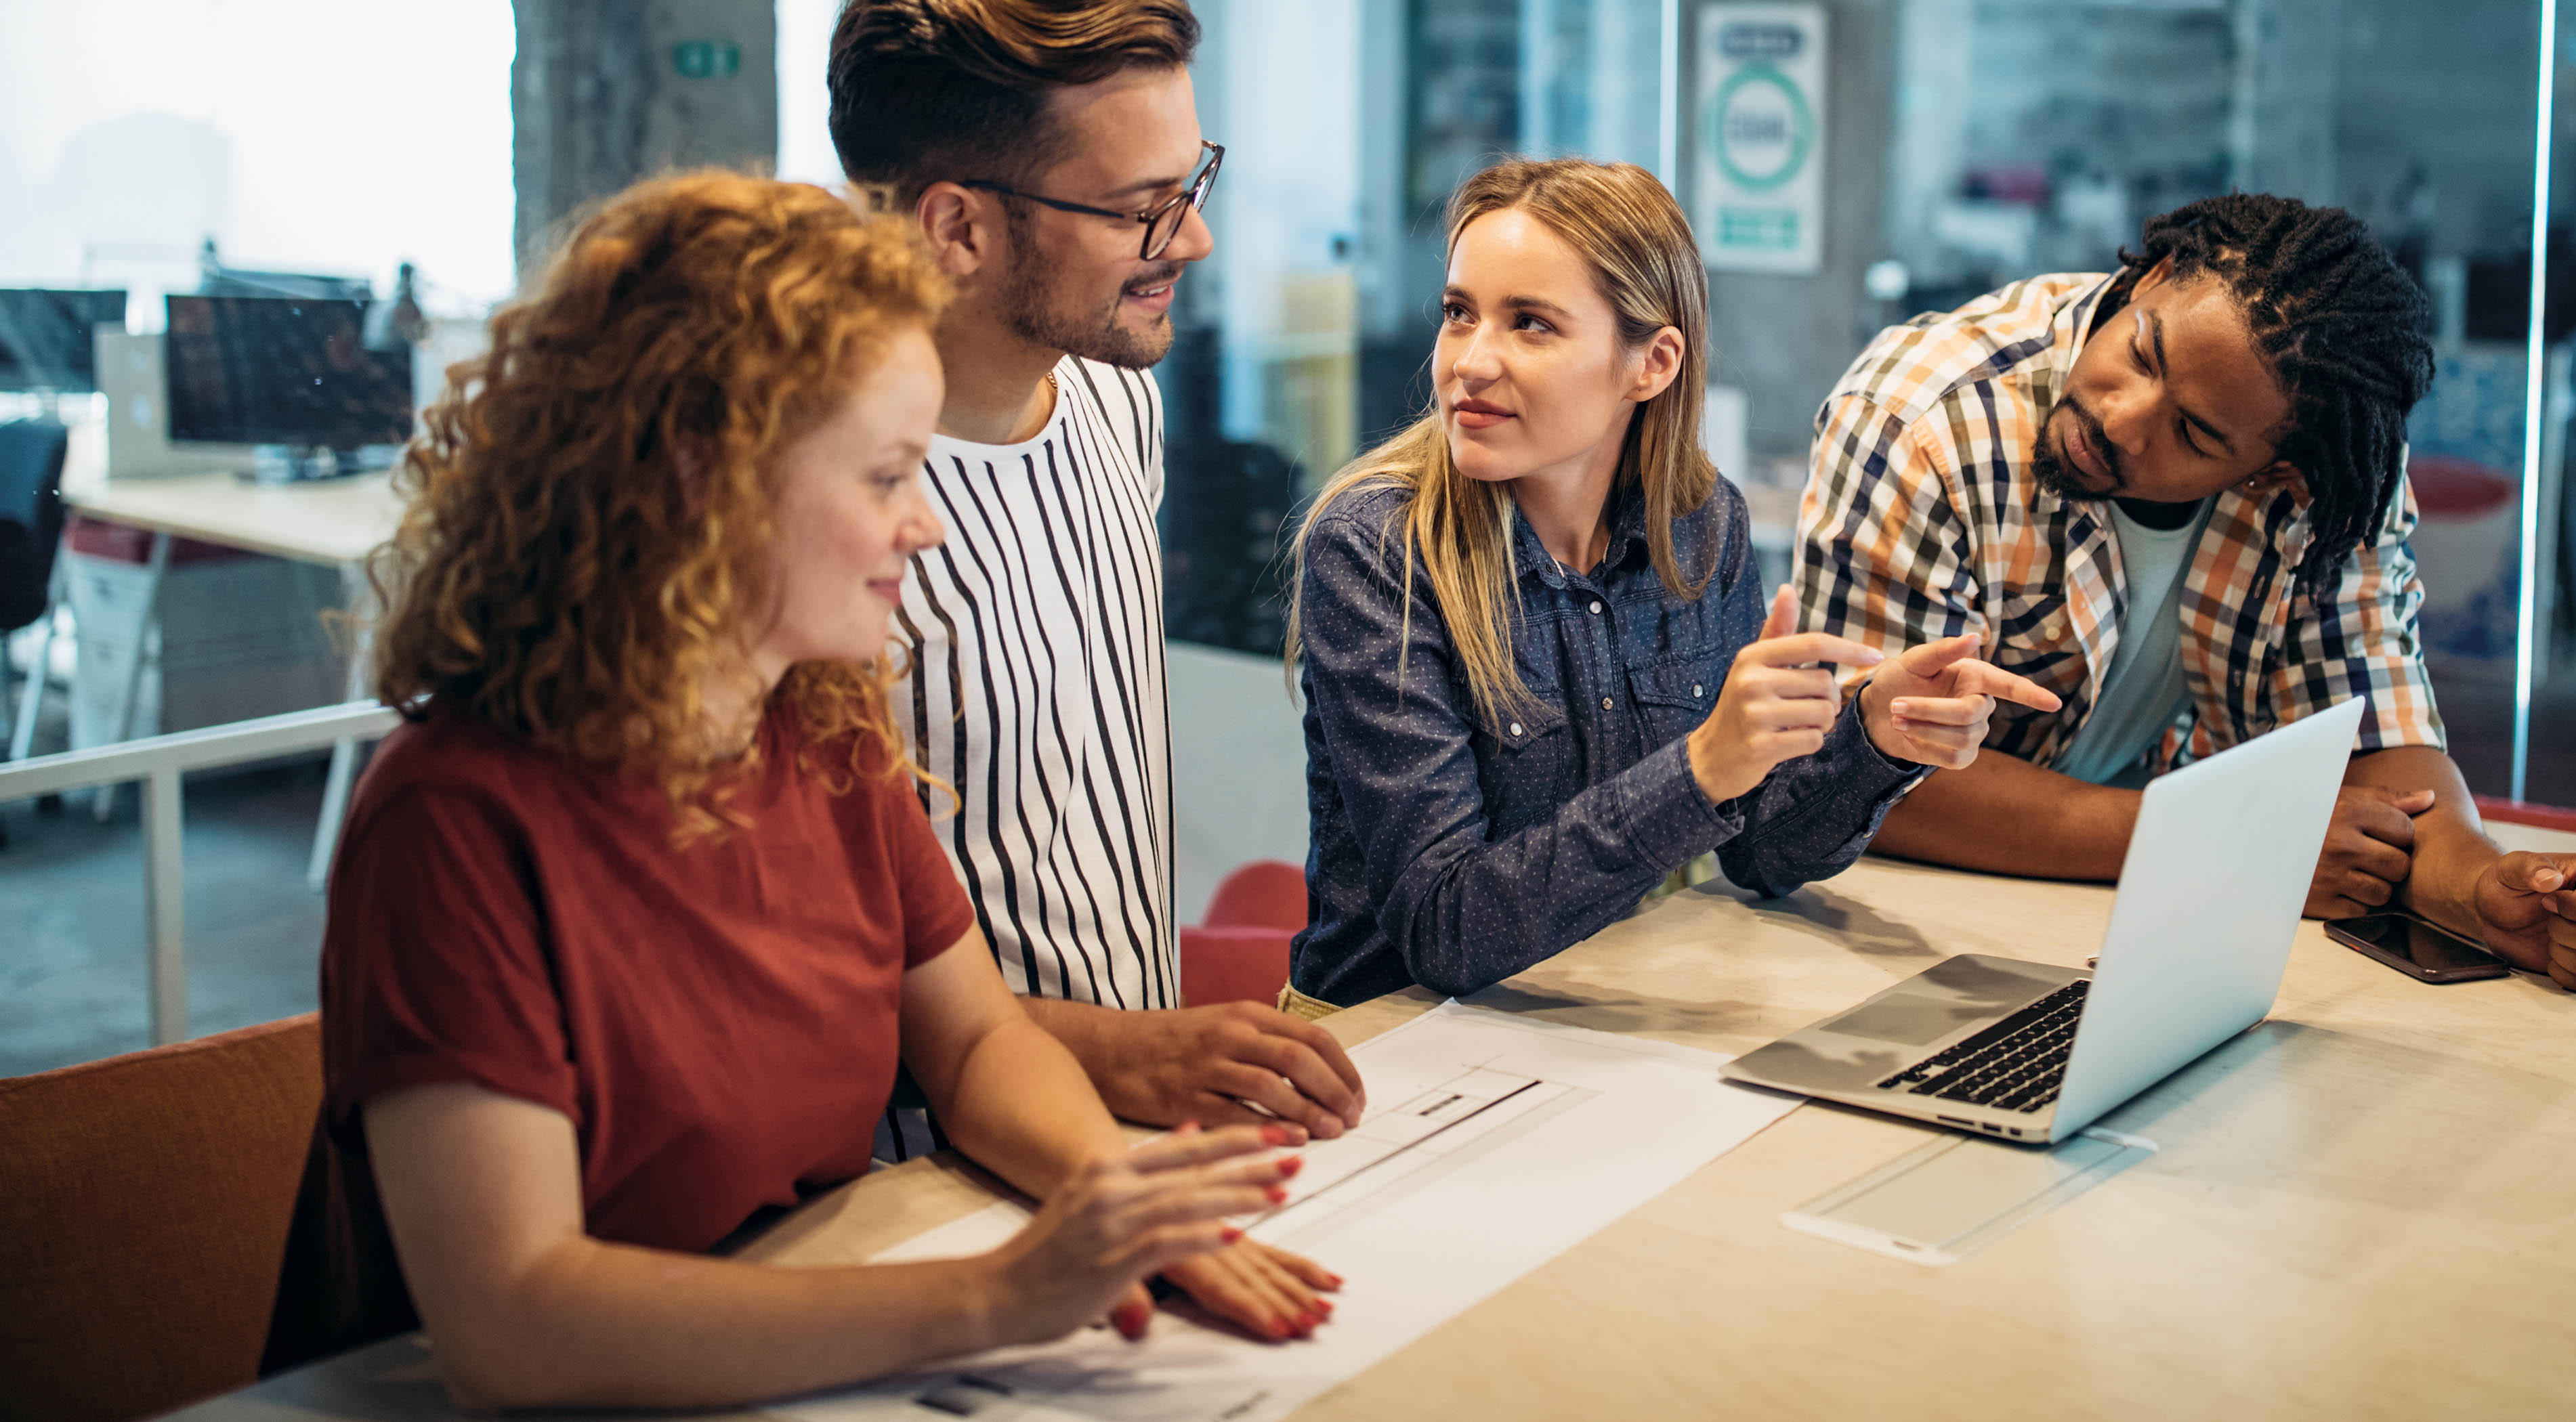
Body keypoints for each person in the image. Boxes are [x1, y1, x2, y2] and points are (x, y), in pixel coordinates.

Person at [259, 173, 1309, 1408]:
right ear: (703, 481)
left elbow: (973, 1043)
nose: (923, 526)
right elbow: (517, 1321)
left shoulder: (820, 722)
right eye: (884, 477)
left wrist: (1113, 1203)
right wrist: (1000, 1294)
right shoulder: (454, 823)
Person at [826, 0, 1359, 1333]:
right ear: (957, 224)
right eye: (1141, 208)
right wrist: (1119, 1054)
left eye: (1196, 183)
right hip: (923, 1198)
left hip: (1122, 1148)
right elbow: (804, 970)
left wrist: (1149, 1061)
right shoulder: (814, 515)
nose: (1195, 238)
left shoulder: (1121, 398)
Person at [1796, 194, 2576, 992]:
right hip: (1893, 929)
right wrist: (2221, 843)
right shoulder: (1923, 417)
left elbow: (2382, 751)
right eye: (2141, 354)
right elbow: (1867, 777)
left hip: (2132, 932)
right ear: (2153, 277)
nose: (2123, 420)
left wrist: (2487, 890)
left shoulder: (2329, 484)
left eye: (2194, 433)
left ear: (2274, 472)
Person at [1284, 158, 2060, 1009]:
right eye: (1458, 314)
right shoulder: (1374, 549)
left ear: (1651, 364)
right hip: (1390, 1052)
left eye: (1530, 324)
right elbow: (1447, 929)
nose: (1470, 362)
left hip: (1596, 1015)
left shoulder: (1699, 526)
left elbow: (1761, 852)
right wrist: (1700, 767)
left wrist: (1872, 736)